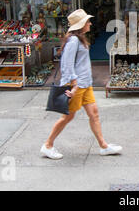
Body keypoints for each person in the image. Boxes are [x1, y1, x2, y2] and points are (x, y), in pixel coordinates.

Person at [41, 9, 122, 159]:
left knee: (94, 114)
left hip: (85, 84)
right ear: (81, 25)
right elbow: (66, 64)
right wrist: (73, 85)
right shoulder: (73, 41)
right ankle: (47, 145)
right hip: (77, 86)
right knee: (67, 117)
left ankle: (104, 146)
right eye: (87, 21)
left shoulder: (80, 39)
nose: (90, 23)